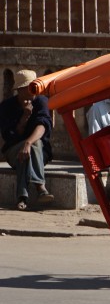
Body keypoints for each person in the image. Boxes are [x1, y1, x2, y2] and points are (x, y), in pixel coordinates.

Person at [1, 69, 55, 211]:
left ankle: (22, 197)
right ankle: (40, 187)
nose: (33, 91)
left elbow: (43, 125)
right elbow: (9, 136)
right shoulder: (7, 107)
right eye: (29, 88)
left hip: (39, 151)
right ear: (20, 90)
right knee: (23, 153)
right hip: (13, 150)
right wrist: (24, 117)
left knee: (32, 147)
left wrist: (28, 143)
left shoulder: (41, 101)